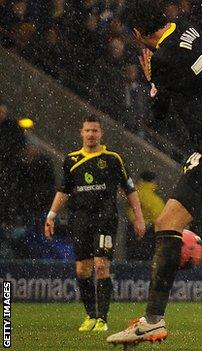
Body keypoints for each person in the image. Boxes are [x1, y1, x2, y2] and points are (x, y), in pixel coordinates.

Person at [108, 1, 202, 346]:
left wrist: (151, 80)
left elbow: (158, 113)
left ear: (136, 34)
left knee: (167, 223)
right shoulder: (190, 28)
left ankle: (153, 321)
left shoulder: (162, 59)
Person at [44, 115, 146, 332]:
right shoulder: (71, 160)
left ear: (101, 133)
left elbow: (130, 189)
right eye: (87, 131)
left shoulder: (112, 159)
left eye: (95, 131)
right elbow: (63, 191)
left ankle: (102, 318)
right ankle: (90, 315)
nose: (91, 134)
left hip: (106, 218)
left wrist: (139, 217)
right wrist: (51, 216)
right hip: (80, 219)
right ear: (81, 132)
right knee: (82, 269)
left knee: (101, 266)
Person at [125, 170, 165, 260]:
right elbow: (157, 213)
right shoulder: (153, 195)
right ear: (154, 181)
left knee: (135, 259)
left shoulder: (136, 191)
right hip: (149, 231)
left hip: (138, 230)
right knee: (147, 260)